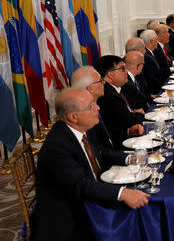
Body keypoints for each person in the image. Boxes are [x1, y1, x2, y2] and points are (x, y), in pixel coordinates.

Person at [30, 88, 150, 240]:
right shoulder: (57, 147)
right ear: (73, 117)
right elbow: (81, 185)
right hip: (71, 219)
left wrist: (131, 159)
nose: (97, 107)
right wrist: (122, 193)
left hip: (91, 198)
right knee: (140, 215)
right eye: (91, 106)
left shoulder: (82, 129)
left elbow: (101, 152)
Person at [95, 55, 145, 148]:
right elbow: (132, 122)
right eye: (122, 68)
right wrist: (138, 114)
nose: (126, 71)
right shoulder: (109, 95)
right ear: (110, 74)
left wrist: (133, 113)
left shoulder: (120, 88)